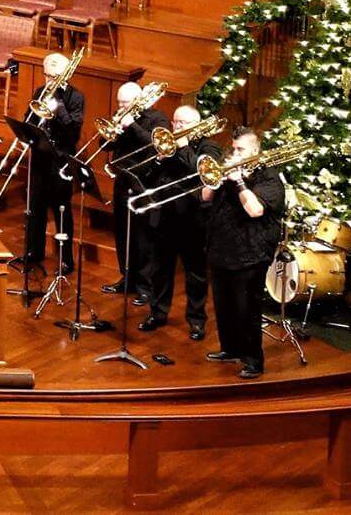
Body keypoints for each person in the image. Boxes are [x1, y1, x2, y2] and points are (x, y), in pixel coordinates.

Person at [203, 126, 285, 379]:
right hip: (222, 248)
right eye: (234, 149)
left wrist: (238, 181)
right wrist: (216, 179)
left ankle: (253, 360)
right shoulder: (227, 173)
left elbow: (255, 210)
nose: (235, 153)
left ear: (255, 150)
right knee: (223, 304)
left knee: (246, 308)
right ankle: (230, 349)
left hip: (252, 252)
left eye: (241, 150)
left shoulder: (269, 177)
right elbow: (205, 196)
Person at [138, 105, 215, 341]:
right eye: (175, 122)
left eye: (183, 124)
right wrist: (159, 160)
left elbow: (203, 174)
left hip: (193, 221)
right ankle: (158, 313)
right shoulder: (166, 145)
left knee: (196, 275)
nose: (177, 128)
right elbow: (148, 179)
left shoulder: (208, 147)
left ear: (196, 125)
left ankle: (196, 321)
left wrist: (183, 150)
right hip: (165, 217)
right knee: (160, 270)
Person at [102, 81, 170, 302]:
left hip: (144, 184)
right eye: (119, 102)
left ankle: (145, 286)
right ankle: (127, 278)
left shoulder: (158, 119)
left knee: (142, 237)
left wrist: (131, 125)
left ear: (138, 100)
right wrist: (110, 134)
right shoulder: (121, 115)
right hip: (122, 180)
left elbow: (155, 147)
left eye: (125, 103)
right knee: (122, 233)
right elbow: (106, 147)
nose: (121, 107)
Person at [20, 51, 86, 275]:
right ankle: (33, 252)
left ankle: (66, 259)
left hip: (61, 162)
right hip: (40, 157)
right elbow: (28, 120)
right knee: (36, 207)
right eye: (47, 75)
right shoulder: (40, 92)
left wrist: (58, 108)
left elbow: (72, 133)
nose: (48, 81)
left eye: (53, 77)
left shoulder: (76, 98)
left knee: (61, 211)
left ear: (65, 75)